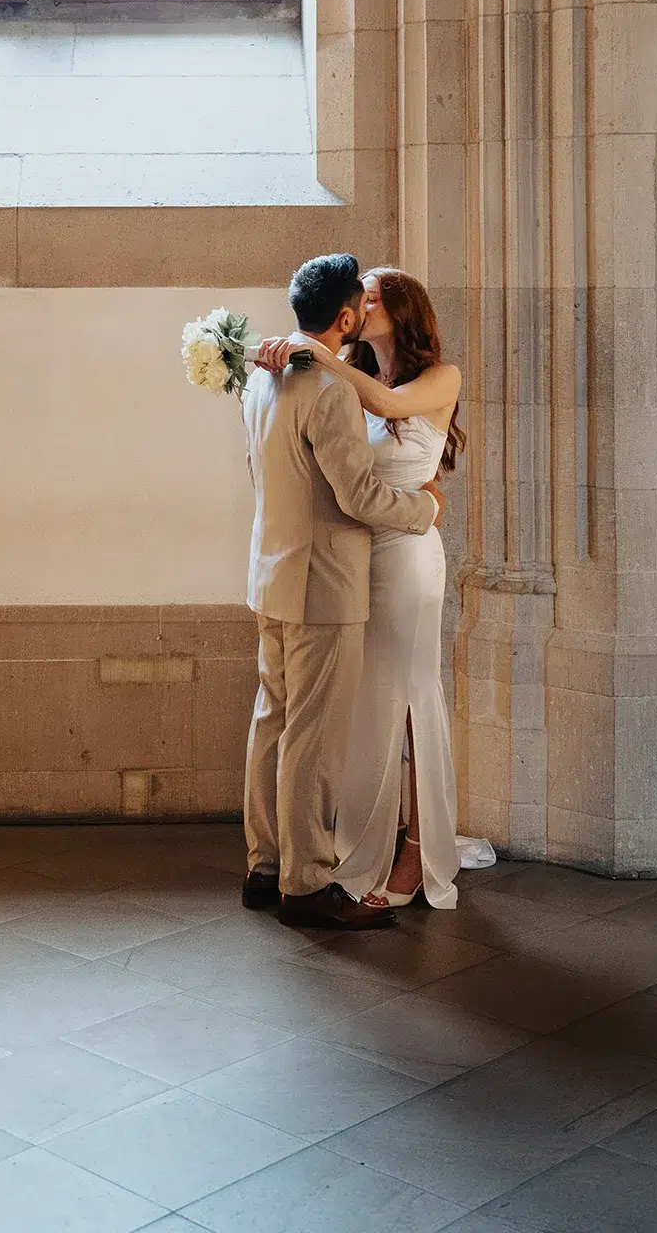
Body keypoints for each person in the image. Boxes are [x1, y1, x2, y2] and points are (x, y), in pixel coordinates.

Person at [242, 253, 444, 931]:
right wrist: (426, 511)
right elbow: (358, 497)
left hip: (271, 573)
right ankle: (305, 884)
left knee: (272, 723)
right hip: (325, 583)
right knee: (312, 738)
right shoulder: (326, 387)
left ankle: (264, 868)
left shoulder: (264, 380)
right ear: (346, 317)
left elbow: (263, 474)